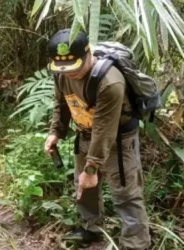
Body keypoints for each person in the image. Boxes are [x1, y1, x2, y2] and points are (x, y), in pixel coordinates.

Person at [44, 28, 151, 250]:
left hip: (118, 141)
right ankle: (90, 228)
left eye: (74, 67)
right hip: (85, 134)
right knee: (84, 188)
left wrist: (92, 168)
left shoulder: (110, 81)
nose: (69, 73)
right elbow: (63, 103)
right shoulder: (61, 73)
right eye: (63, 68)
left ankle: (135, 243)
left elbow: (105, 128)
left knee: (126, 193)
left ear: (88, 54)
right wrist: (56, 132)